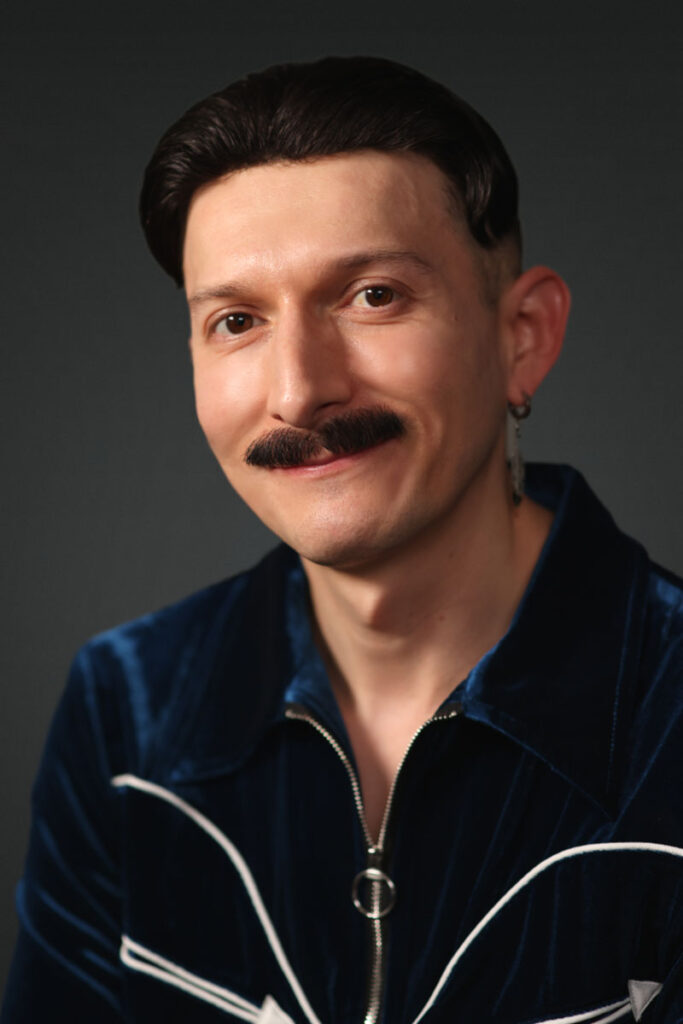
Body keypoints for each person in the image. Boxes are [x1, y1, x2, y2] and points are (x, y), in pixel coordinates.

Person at [2, 55, 682, 1024]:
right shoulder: (125, 707)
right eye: (236, 320)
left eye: (371, 296)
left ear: (521, 337)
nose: (298, 389)